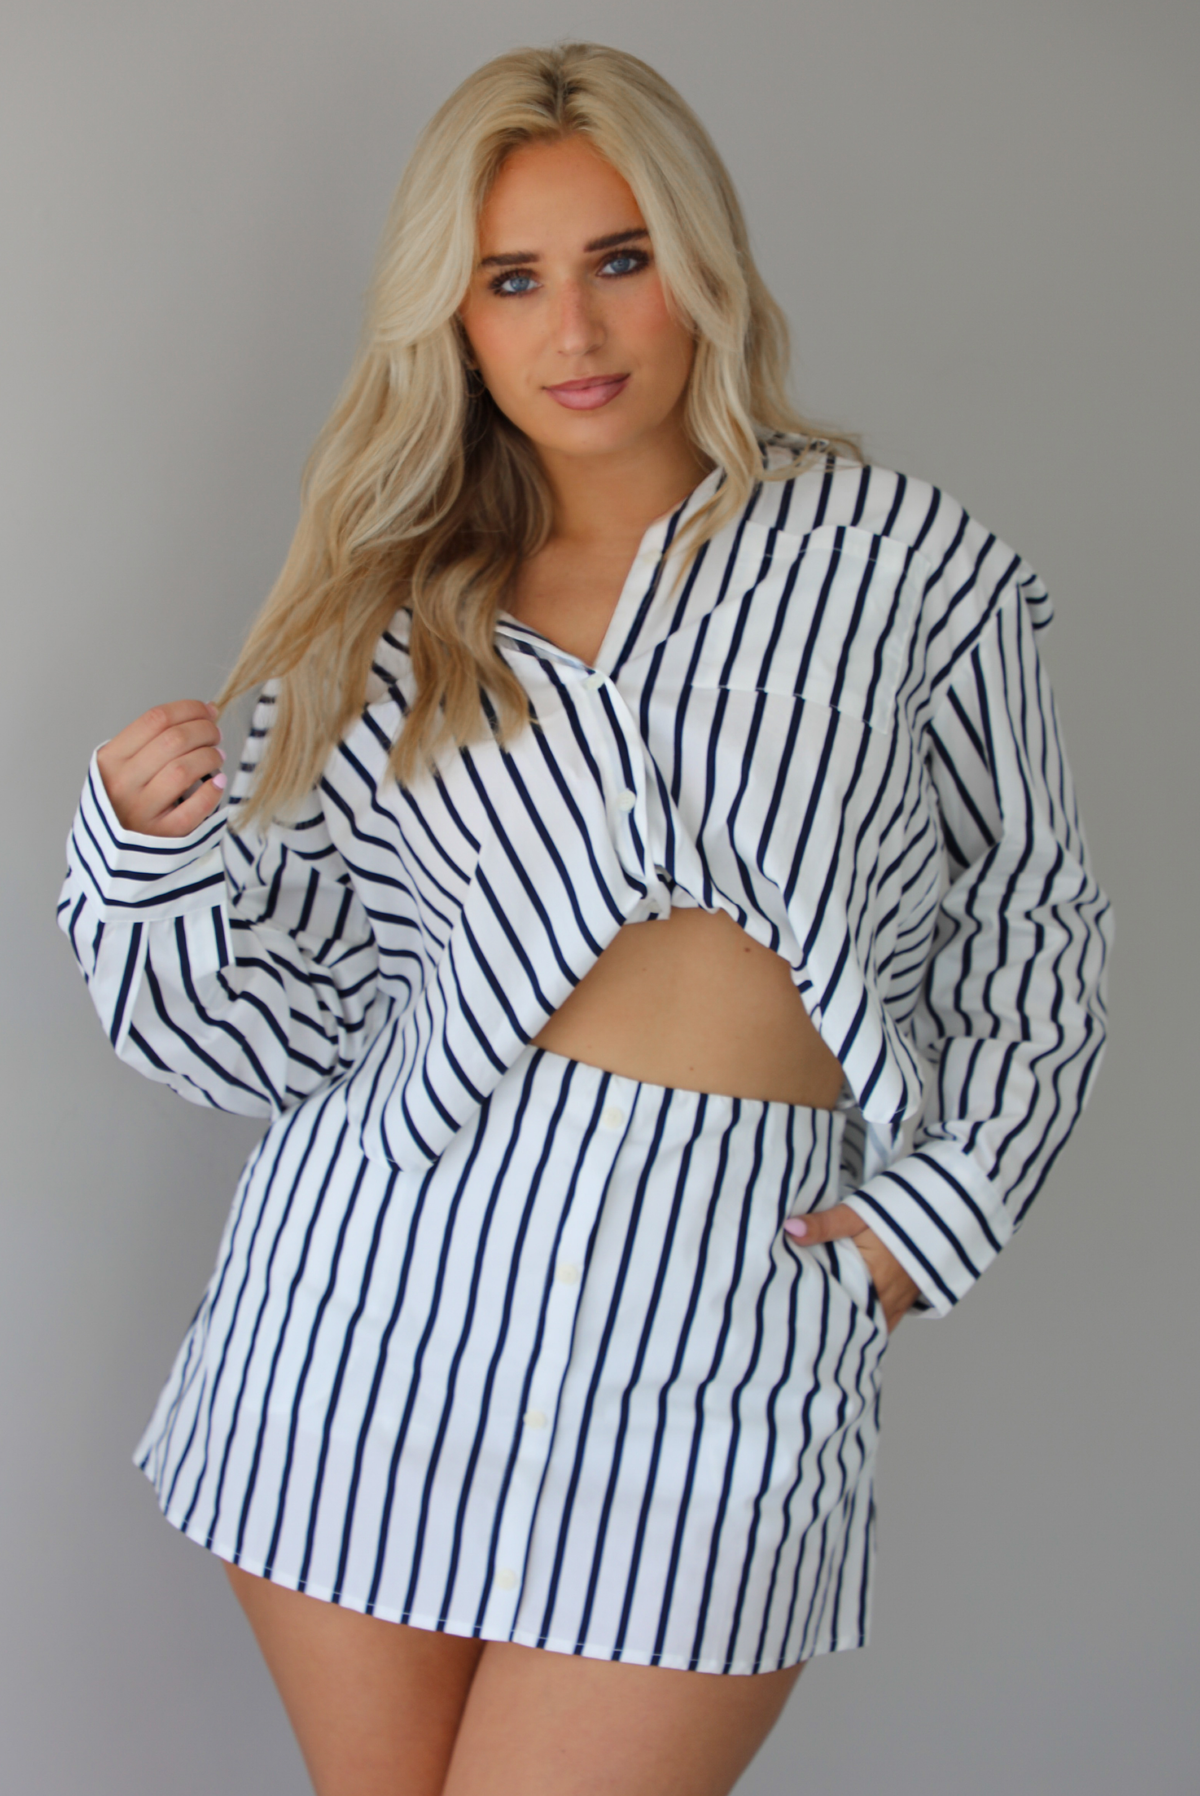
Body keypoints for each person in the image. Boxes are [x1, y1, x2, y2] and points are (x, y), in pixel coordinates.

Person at [57, 40, 1112, 1796]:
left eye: (623, 260)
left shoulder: (901, 563)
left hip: (724, 1304)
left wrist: (925, 1226)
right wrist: (145, 853)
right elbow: (276, 1036)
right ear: (450, 323)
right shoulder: (394, 613)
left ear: (702, 265)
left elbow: (1035, 924)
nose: (578, 332)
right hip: (372, 1304)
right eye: (513, 282)